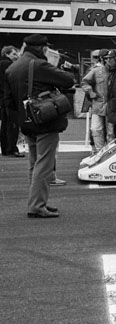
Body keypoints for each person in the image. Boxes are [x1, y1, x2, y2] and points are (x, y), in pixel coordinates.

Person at [4, 34, 75, 218]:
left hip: (27, 121)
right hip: (45, 120)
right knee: (44, 164)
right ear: (41, 48)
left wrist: (21, 119)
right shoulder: (39, 65)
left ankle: (37, 201)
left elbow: (9, 101)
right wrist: (54, 62)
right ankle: (36, 206)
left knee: (34, 164)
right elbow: (68, 80)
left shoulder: (12, 68)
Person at [80, 48, 113, 153]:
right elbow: (84, 82)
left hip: (111, 106)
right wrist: (91, 92)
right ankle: (99, 153)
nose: (108, 60)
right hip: (98, 105)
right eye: (106, 58)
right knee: (96, 129)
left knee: (111, 132)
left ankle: (110, 153)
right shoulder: (95, 71)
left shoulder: (115, 71)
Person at [0, 45, 23, 157]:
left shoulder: (2, 64)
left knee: (5, 124)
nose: (16, 56)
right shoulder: (8, 65)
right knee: (12, 124)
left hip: (3, 98)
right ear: (7, 54)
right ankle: (12, 148)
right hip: (10, 98)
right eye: (14, 54)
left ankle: (5, 148)